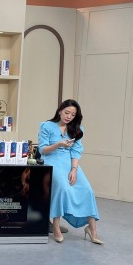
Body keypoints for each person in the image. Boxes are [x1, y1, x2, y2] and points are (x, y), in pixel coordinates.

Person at [38, 99, 102, 244]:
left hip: (69, 162)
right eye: (67, 112)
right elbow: (42, 150)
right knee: (62, 187)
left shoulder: (77, 129)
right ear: (60, 110)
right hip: (51, 160)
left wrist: (74, 169)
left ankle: (92, 230)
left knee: (87, 190)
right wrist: (59, 144)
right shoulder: (47, 126)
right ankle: (56, 227)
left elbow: (76, 151)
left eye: (73, 115)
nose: (69, 117)